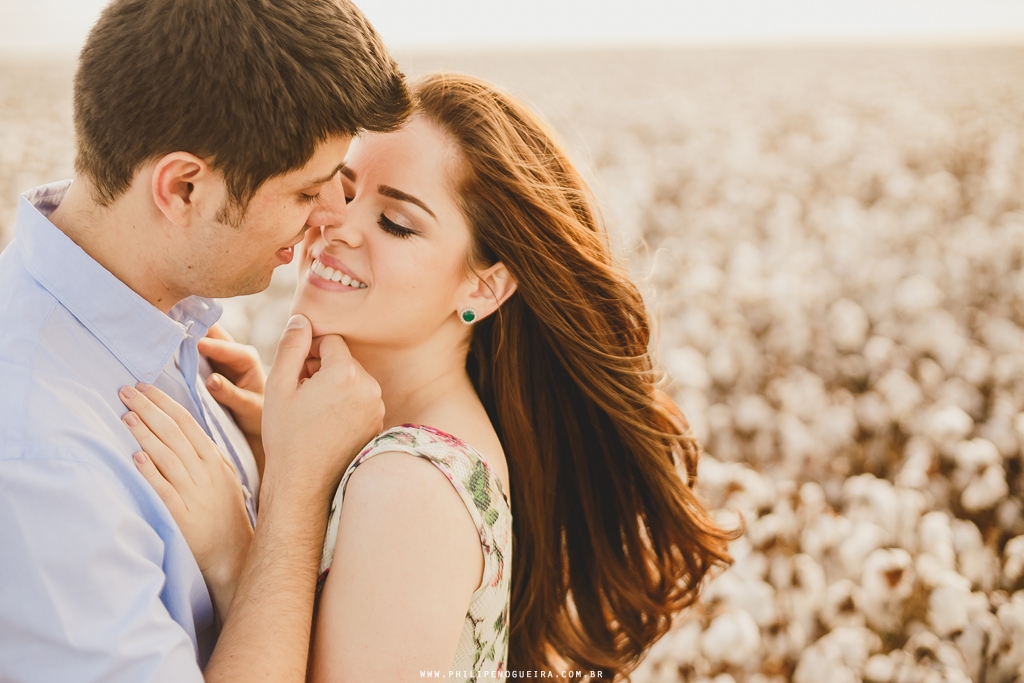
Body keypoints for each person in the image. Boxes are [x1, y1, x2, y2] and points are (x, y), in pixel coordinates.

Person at [123, 73, 735, 681]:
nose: (338, 224)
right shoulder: (403, 445)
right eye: (341, 190)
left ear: (483, 286)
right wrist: (276, 444)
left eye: (396, 223)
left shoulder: (410, 485)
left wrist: (242, 550)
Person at [0, 0, 412, 681]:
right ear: (184, 187)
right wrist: (295, 494)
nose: (333, 216)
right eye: (309, 191)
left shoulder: (165, 322)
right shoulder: (40, 461)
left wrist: (263, 458)